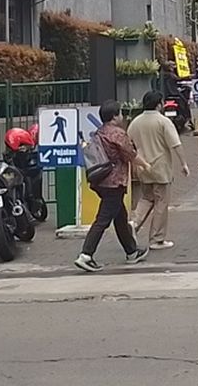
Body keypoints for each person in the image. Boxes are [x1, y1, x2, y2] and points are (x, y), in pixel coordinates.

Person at [74, 101, 150, 272]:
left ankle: (131, 252)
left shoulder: (99, 132)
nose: (122, 117)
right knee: (103, 220)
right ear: (115, 116)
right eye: (120, 114)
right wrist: (145, 165)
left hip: (100, 180)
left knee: (120, 217)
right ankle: (86, 255)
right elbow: (130, 154)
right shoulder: (117, 134)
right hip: (114, 182)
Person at [127, 90, 190, 250]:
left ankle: (134, 223)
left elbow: (128, 144)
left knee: (147, 198)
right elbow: (175, 144)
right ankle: (157, 238)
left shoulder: (135, 122)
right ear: (158, 104)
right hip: (161, 168)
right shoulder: (163, 122)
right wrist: (184, 163)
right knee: (161, 202)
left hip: (142, 167)